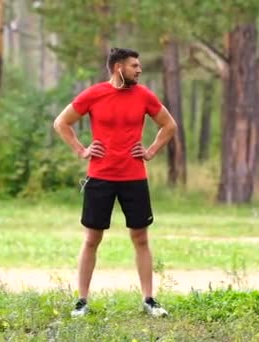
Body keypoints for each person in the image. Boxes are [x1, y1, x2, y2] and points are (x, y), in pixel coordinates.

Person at [53, 47, 177, 318]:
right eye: (134, 66)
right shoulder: (95, 94)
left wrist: (151, 151)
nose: (139, 70)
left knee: (140, 238)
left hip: (134, 177)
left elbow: (169, 125)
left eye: (139, 65)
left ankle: (149, 300)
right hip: (100, 177)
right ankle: (82, 301)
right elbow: (62, 123)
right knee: (92, 238)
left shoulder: (144, 96)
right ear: (118, 68)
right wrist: (81, 150)